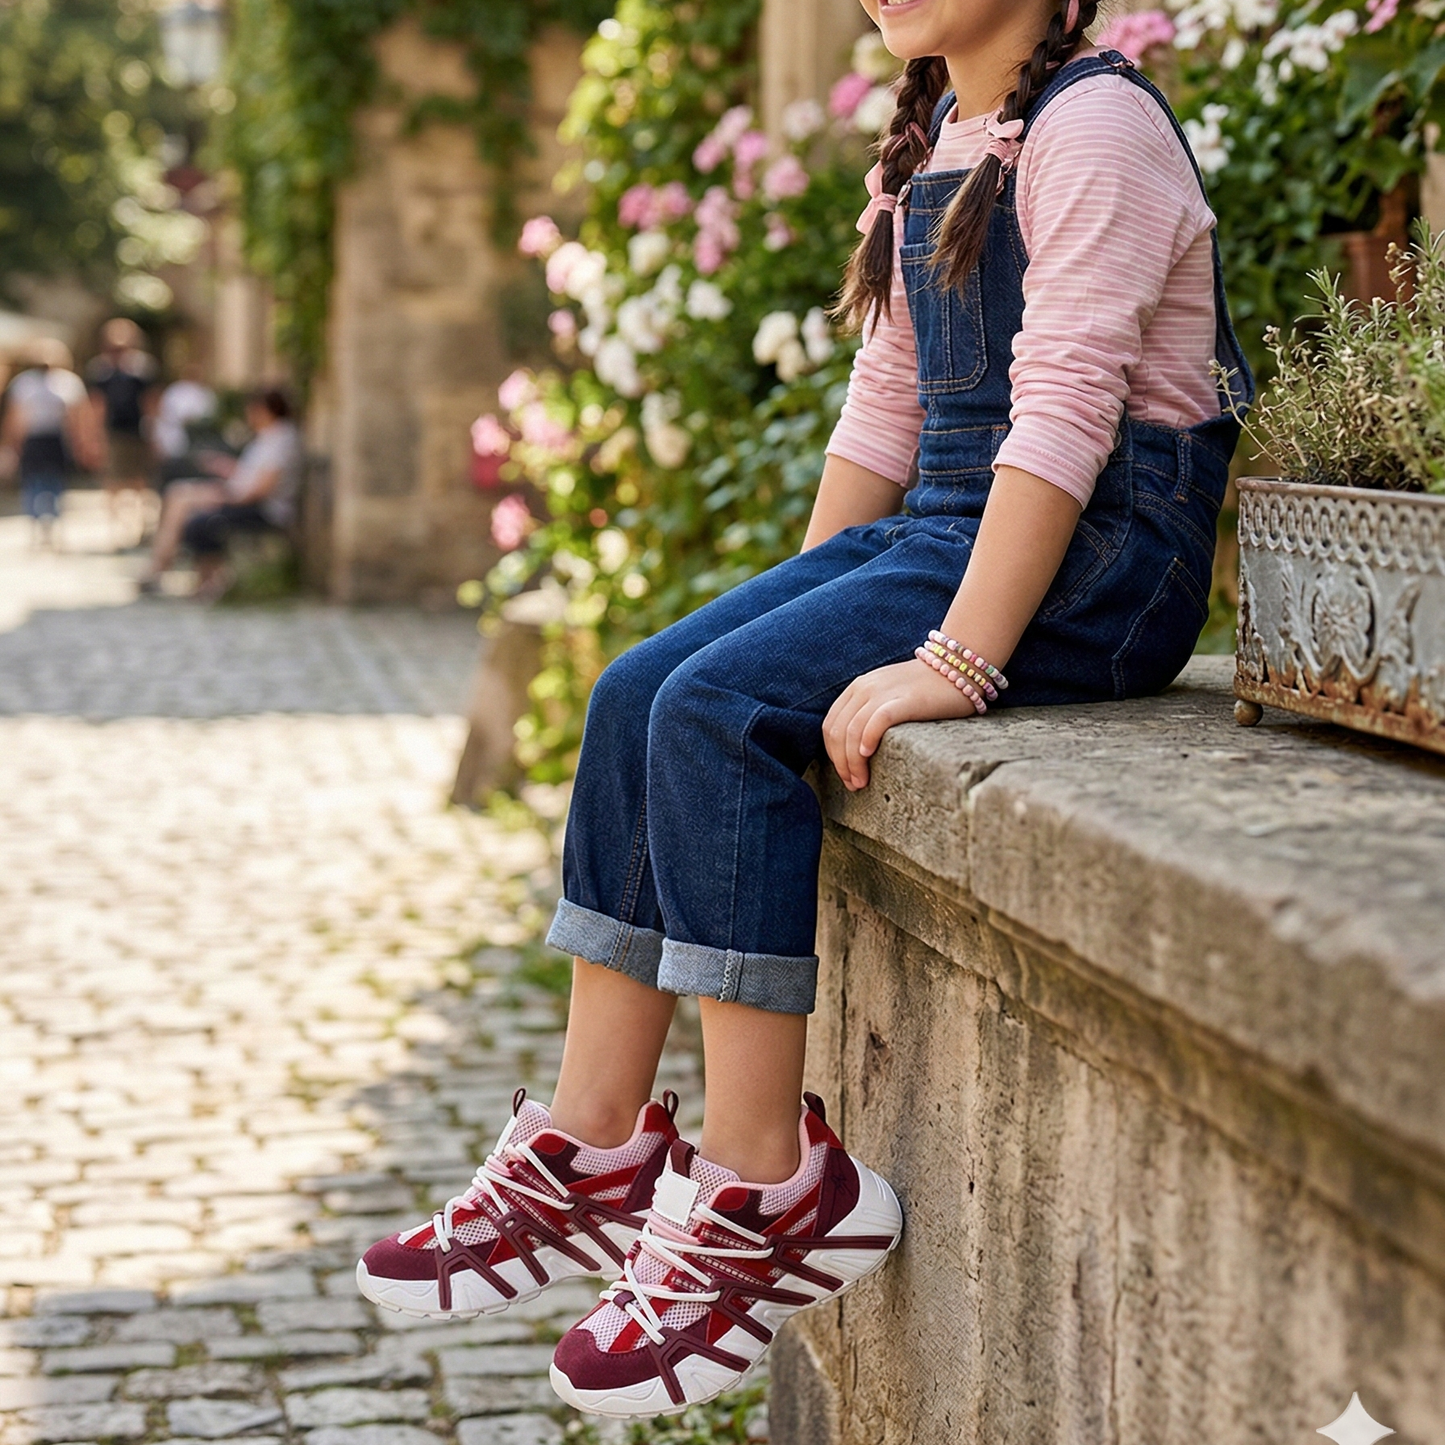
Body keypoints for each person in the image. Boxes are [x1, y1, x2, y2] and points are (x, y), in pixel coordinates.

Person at [355, 0, 1254, 1420]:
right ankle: (593, 1145)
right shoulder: (934, 141)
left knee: (717, 717)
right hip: (956, 533)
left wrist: (954, 661)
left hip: (1091, 561)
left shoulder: (1093, 126)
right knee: (642, 688)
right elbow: (885, 412)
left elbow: (1069, 416)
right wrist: (789, 611)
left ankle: (768, 1183)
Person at [139, 388, 300, 599]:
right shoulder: (269, 437)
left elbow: (262, 489)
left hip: (258, 507)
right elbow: (253, 475)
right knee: (177, 495)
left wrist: (224, 497)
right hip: (241, 496)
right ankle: (164, 570)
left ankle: (163, 571)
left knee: (193, 515)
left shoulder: (280, 440)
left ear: (264, 410)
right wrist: (227, 469)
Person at [1, 339, 92, 546]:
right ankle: (35, 525)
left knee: (56, 482)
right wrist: (10, 444)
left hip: (57, 438)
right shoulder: (24, 383)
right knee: (33, 482)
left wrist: (82, 443)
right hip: (34, 438)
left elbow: (78, 416)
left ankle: (54, 525)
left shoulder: (68, 382)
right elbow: (15, 417)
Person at [86, 318, 158, 547]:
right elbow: (97, 405)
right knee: (114, 481)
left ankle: (140, 525)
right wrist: (94, 437)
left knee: (140, 481)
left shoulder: (143, 368)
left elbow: (151, 402)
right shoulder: (101, 370)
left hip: (138, 432)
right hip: (114, 433)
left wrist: (154, 431)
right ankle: (116, 528)